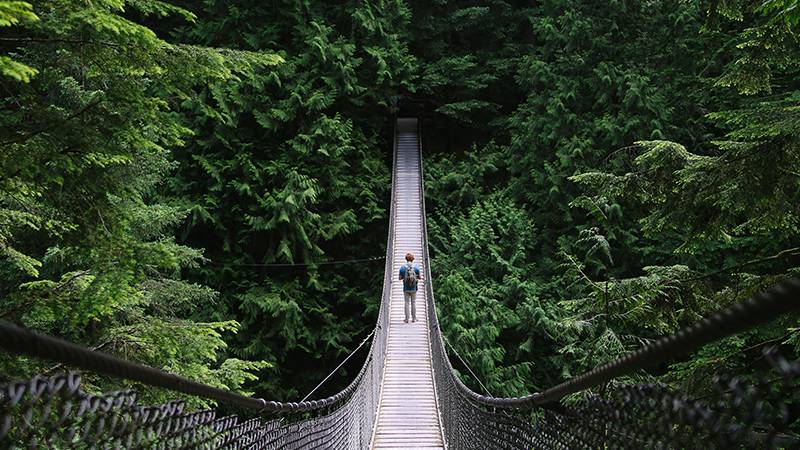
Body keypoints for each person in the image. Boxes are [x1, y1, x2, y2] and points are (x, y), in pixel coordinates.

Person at [398, 252, 422, 323]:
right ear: (413, 259)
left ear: (406, 258)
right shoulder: (416, 267)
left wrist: (404, 276)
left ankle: (406, 319)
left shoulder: (402, 268)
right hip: (414, 288)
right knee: (413, 302)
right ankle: (414, 318)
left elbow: (399, 278)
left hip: (406, 288)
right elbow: (420, 277)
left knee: (406, 302)